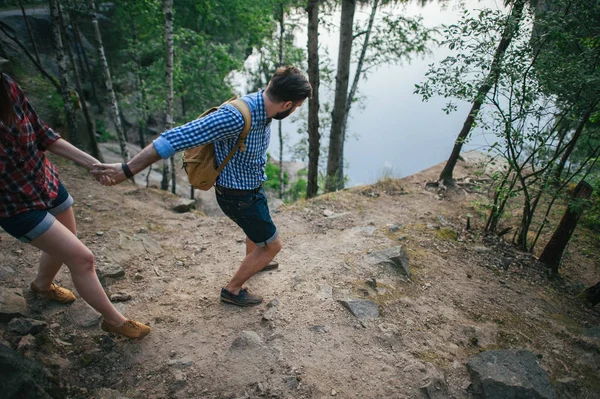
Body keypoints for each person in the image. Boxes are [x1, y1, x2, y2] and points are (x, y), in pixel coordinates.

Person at [92, 66, 312, 306]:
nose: (295, 110)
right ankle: (233, 291)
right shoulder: (236, 116)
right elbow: (175, 137)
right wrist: (127, 169)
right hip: (238, 196)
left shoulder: (264, 106)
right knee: (273, 245)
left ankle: (256, 259)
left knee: (257, 231)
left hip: (251, 188)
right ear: (287, 105)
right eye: (297, 107)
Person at [0, 72, 151, 338]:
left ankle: (42, 286)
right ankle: (115, 322)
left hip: (45, 182)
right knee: (82, 258)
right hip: (15, 205)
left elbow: (44, 135)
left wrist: (93, 164)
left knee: (68, 240)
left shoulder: (7, 86)